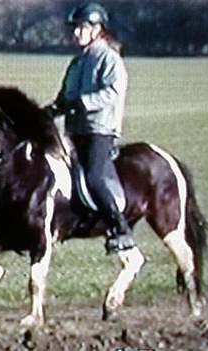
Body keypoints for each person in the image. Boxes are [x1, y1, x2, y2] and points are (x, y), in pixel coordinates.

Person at [46, 2, 135, 253]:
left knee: (95, 177)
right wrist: (49, 112)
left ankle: (120, 229)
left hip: (100, 130)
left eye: (81, 28)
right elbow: (65, 98)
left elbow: (112, 93)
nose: (75, 33)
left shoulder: (109, 59)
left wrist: (83, 102)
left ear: (97, 30)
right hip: (75, 130)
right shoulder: (76, 64)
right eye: (74, 29)